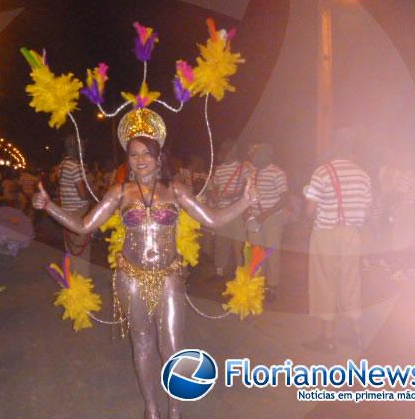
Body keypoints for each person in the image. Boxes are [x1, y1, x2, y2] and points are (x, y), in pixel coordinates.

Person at [33, 108, 257, 419]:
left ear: (158, 156)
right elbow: (84, 225)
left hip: (169, 277)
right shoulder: (119, 192)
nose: (140, 159)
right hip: (131, 277)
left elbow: (214, 219)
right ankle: (151, 408)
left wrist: (245, 201)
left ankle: (175, 407)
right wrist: (49, 207)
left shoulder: (176, 190)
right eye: (133, 153)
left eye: (146, 153)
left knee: (172, 347)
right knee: (142, 344)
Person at [302, 129, 372, 353]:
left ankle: (328, 339)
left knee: (325, 284)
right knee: (351, 283)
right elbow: (368, 209)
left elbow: (310, 209)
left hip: (326, 234)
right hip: (352, 234)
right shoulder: (363, 175)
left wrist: (306, 207)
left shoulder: (322, 172)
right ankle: (357, 335)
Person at [245, 143, 288, 301]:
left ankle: (272, 287)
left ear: (265, 156)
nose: (252, 157)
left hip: (272, 218)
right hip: (256, 217)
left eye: (256, 154)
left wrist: (266, 214)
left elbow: (285, 199)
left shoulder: (278, 173)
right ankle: (258, 284)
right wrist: (248, 213)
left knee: (271, 253)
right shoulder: (253, 173)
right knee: (256, 252)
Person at [211, 138, 248, 276]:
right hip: (221, 211)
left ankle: (240, 274)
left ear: (233, 151)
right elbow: (214, 186)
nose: (222, 152)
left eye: (226, 150)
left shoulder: (243, 168)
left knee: (238, 243)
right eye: (222, 150)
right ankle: (219, 271)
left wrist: (234, 194)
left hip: (236, 211)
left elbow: (247, 187)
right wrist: (214, 195)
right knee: (221, 242)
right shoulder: (219, 169)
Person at [58, 135, 92, 277]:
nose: (83, 149)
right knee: (81, 252)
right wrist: (92, 196)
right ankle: (81, 286)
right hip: (79, 213)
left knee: (71, 250)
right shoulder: (75, 166)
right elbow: (83, 194)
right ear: (74, 147)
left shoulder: (62, 165)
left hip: (66, 212)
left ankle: (72, 281)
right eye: (81, 146)